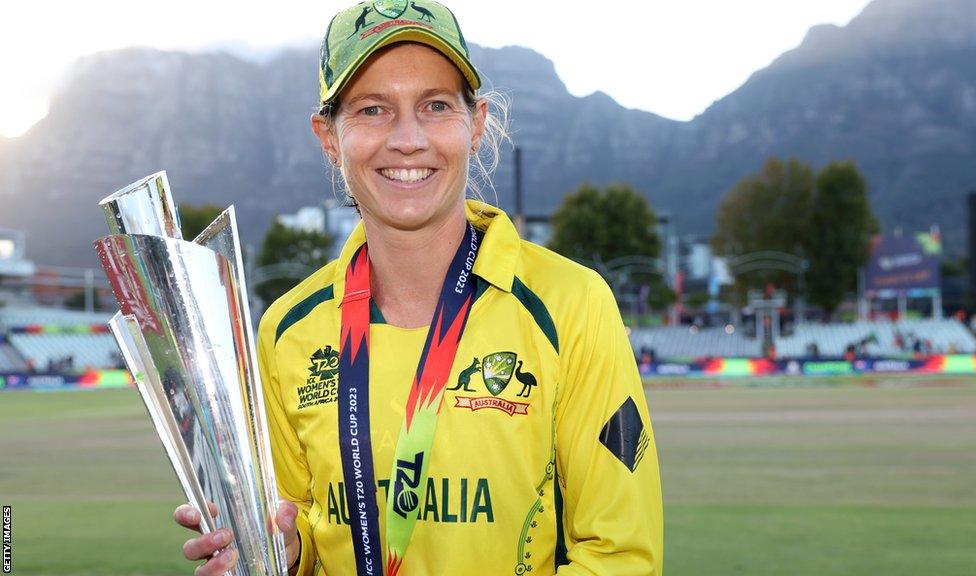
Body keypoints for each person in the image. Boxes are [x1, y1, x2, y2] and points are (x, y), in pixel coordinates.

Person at [174, 2, 662, 575]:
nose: (407, 139)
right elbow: (301, 518)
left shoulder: (571, 304)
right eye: (372, 109)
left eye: (434, 106)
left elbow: (620, 556)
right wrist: (285, 548)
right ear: (328, 137)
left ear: (475, 124)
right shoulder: (288, 328)